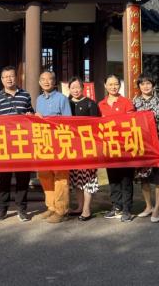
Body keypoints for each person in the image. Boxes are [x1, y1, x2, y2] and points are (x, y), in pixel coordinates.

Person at [0, 65, 34, 222]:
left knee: (23, 177)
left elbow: (31, 112)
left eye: (11, 76)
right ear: (2, 80)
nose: (9, 79)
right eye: (5, 76)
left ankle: (21, 209)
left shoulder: (25, 95)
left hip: (23, 142)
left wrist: (30, 114)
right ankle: (2, 208)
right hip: (5, 143)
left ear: (17, 77)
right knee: (4, 178)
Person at [97, 75, 136, 222]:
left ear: (119, 86)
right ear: (105, 86)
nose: (113, 87)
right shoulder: (101, 104)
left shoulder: (126, 102)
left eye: (116, 84)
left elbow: (132, 122)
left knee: (126, 179)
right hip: (109, 147)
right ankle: (116, 206)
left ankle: (127, 209)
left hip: (125, 147)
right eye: (110, 84)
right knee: (113, 179)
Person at [35, 70, 72, 223]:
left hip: (58, 141)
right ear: (39, 82)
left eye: (49, 79)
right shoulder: (39, 99)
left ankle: (61, 210)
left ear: (54, 82)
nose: (46, 82)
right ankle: (51, 206)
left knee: (61, 176)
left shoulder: (62, 99)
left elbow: (68, 122)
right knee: (44, 175)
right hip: (44, 141)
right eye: (43, 79)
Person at [133, 74, 159, 223]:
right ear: (139, 86)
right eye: (142, 84)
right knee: (144, 178)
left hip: (158, 145)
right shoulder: (135, 102)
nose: (145, 86)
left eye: (148, 83)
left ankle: (157, 209)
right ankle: (148, 206)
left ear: (153, 85)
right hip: (142, 146)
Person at [67, 76, 100, 221]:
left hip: (87, 146)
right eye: (72, 87)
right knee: (76, 178)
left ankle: (87, 209)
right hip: (71, 146)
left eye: (78, 87)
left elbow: (96, 125)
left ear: (83, 88)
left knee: (87, 177)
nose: (75, 90)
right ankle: (79, 206)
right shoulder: (66, 103)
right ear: (69, 89)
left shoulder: (90, 104)